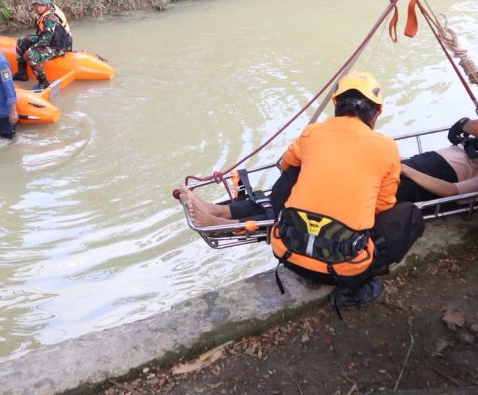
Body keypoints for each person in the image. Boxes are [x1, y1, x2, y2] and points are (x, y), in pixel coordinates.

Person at [180, 72, 425, 307]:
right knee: (410, 216)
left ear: (336, 104)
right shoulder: (386, 148)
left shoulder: (312, 133)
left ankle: (225, 214)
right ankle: (353, 292)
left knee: (295, 171)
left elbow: (286, 165)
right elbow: (382, 207)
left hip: (288, 254)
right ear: (377, 112)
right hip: (340, 269)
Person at [14, 0, 71, 90]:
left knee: (32, 56)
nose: (37, 8)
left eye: (41, 5)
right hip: (50, 40)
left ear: (46, 4)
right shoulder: (43, 13)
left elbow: (44, 42)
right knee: (21, 41)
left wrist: (30, 50)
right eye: (35, 5)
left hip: (58, 46)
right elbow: (43, 36)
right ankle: (22, 73)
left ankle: (44, 83)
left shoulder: (50, 18)